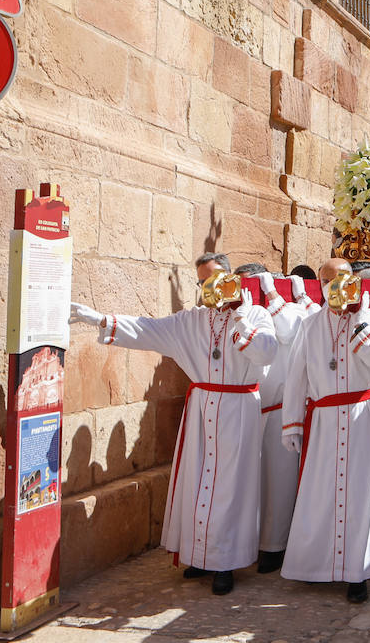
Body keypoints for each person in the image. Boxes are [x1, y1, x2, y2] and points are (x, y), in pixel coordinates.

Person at [68, 251, 278, 595]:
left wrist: (240, 318)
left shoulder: (256, 313)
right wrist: (98, 319)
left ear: (230, 277)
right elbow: (148, 329)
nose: (209, 288)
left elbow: (267, 352)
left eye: (214, 279)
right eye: (202, 282)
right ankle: (199, 555)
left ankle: (224, 563)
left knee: (230, 487)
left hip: (239, 408)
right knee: (197, 483)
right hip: (201, 407)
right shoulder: (192, 320)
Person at [279, 262, 370, 604]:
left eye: (340, 280)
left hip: (363, 414)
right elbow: (297, 375)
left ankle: (356, 572)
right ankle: (315, 565)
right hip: (323, 420)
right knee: (320, 491)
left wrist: (360, 324)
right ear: (319, 285)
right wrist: (291, 422)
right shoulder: (310, 323)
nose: (334, 287)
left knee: (360, 494)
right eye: (326, 281)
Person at [253, 272, 317, 574]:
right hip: (246, 409)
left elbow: (290, 330)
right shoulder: (245, 312)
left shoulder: (294, 311)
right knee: (251, 482)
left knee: (278, 482)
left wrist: (273, 296)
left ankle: (273, 545)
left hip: (280, 408)